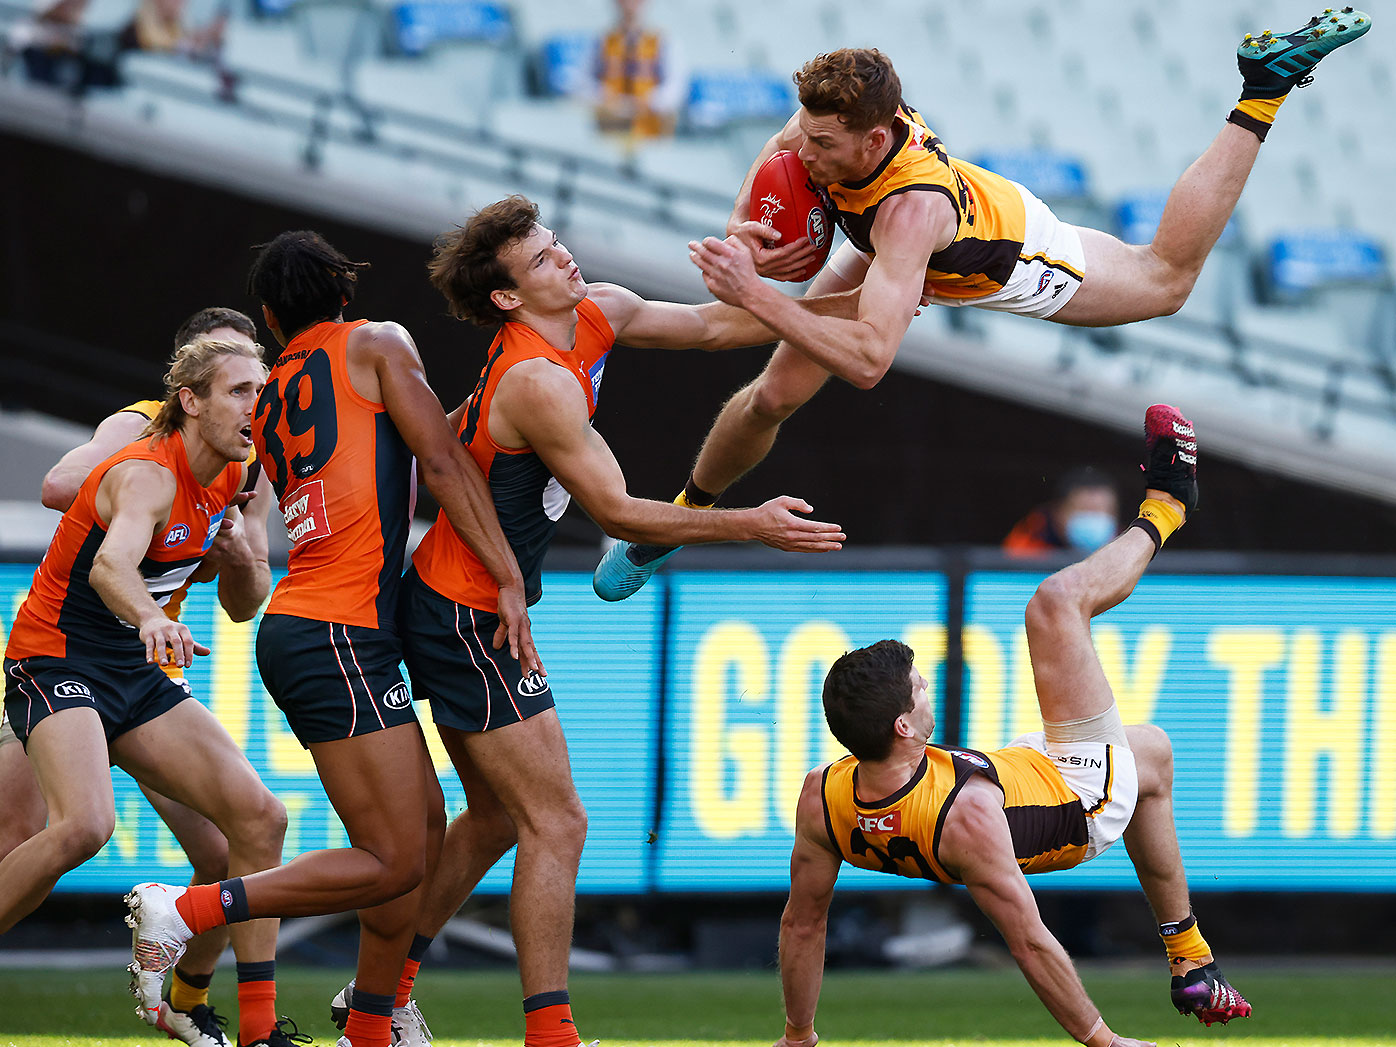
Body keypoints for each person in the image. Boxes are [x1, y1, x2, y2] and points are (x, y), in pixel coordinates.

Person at [594, 12, 1372, 599]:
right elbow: (780, 145)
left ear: (874, 139)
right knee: (762, 385)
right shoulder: (834, 119)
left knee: (1165, 279)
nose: (808, 156)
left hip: (1016, 251)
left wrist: (760, 290)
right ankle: (671, 520)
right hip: (908, 256)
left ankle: (1262, 94)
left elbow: (870, 360)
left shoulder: (910, 211)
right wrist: (743, 226)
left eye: (826, 147)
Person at [326, 194, 848, 1047]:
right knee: (558, 819)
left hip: (464, 603)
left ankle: (377, 1003)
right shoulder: (533, 380)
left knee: (499, 817)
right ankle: (550, 1033)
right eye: (541, 261)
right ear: (506, 299)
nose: (564, 261)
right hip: (464, 613)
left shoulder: (597, 310)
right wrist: (750, 521)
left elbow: (721, 329)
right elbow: (622, 512)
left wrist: (862, 298)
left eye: (557, 245)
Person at [126, 229, 541, 1047]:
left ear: (274, 319)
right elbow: (445, 463)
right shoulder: (378, 343)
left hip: (325, 624)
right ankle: (189, 908)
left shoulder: (272, 389)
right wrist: (508, 574)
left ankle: (370, 1024)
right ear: (343, 290)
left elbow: (376, 451)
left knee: (419, 836)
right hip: (338, 628)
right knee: (392, 858)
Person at [774, 405, 1250, 1047]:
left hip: (1014, 772)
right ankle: (1169, 504)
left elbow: (803, 925)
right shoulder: (965, 816)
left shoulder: (821, 795)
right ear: (903, 728)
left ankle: (1193, 960)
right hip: (1081, 799)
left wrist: (799, 1036)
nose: (925, 689)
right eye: (917, 689)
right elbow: (1029, 941)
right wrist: (1104, 1042)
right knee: (1055, 605)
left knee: (1154, 755)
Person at [0, 336, 295, 1047]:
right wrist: (153, 617)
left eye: (262, 390)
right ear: (188, 400)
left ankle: (245, 1022)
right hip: (59, 658)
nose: (257, 406)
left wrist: (243, 556)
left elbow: (243, 600)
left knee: (260, 820)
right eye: (240, 391)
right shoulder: (144, 468)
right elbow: (109, 566)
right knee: (81, 826)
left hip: (139, 671)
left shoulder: (243, 469)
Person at [592, 0, 682, 141]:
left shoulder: (663, 40)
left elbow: (675, 87)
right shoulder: (602, 40)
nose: (630, 4)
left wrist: (649, 101)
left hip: (651, 129)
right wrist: (606, 97)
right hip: (609, 127)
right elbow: (583, 82)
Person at [1003, 466, 1120, 557]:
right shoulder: (1025, 548)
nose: (1093, 518)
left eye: (1101, 511)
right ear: (1058, 513)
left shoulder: (1131, 543)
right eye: (1084, 510)